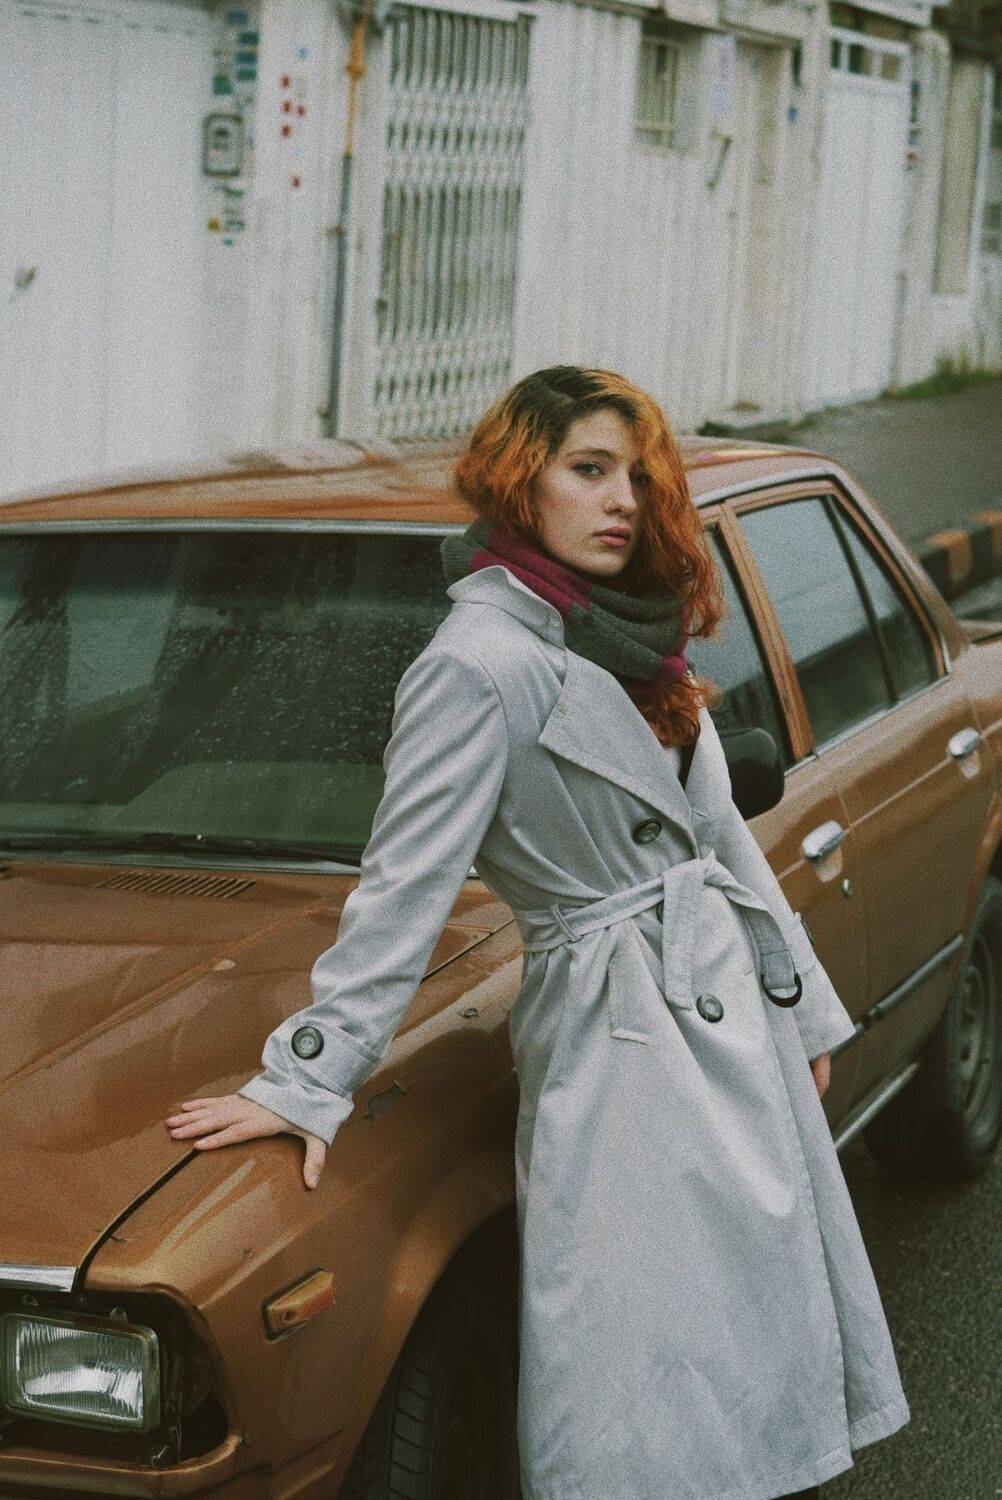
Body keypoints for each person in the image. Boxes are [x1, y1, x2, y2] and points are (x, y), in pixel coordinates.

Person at [165, 366, 910, 1499]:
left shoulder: (638, 636)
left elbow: (719, 840)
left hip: (722, 1012)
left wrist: (797, 1003)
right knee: (640, 1349)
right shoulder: (479, 665)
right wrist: (307, 1079)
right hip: (618, 1038)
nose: (621, 500)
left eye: (637, 476)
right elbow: (403, 889)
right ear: (522, 482)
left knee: (746, 1328)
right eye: (588, 470)